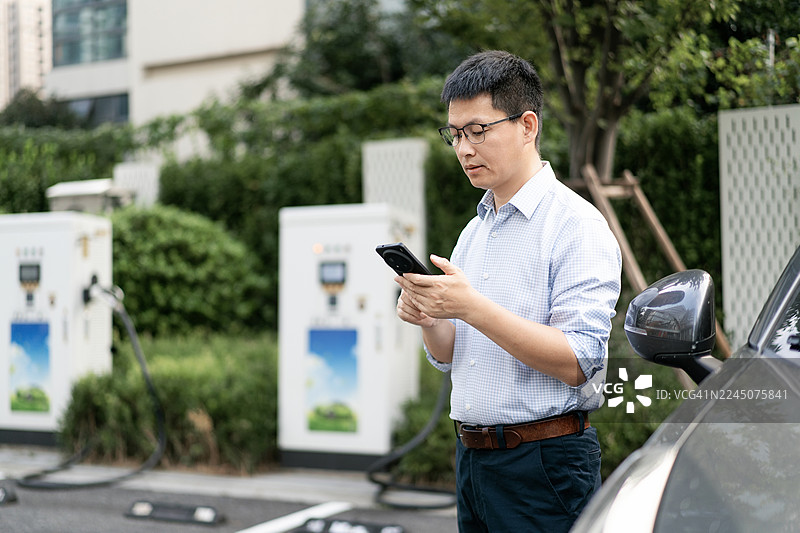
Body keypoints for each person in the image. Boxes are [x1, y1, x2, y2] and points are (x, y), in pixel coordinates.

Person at [394, 50, 622, 532]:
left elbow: (578, 360)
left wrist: (472, 307)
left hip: (544, 463)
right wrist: (431, 316)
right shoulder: (474, 231)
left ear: (527, 125)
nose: (464, 149)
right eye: (454, 134)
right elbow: (451, 355)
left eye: (478, 131)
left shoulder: (577, 225)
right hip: (472, 460)